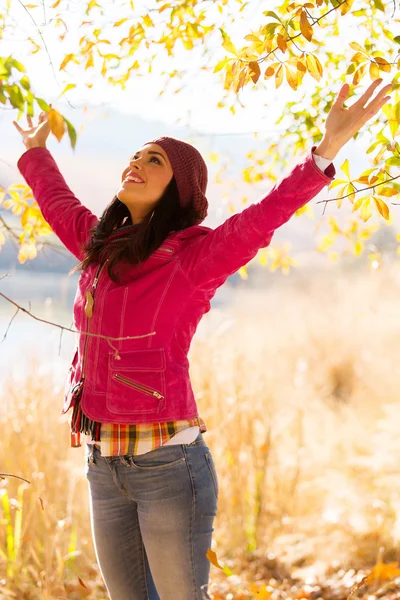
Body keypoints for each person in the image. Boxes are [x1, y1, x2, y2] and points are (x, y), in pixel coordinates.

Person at [13, 77, 391, 600]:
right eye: (136, 156)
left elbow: (262, 219)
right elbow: (57, 202)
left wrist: (324, 152)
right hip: (102, 462)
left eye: (155, 162)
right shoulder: (99, 247)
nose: (137, 164)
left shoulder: (195, 260)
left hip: (168, 466)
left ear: (179, 189)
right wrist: (35, 154)